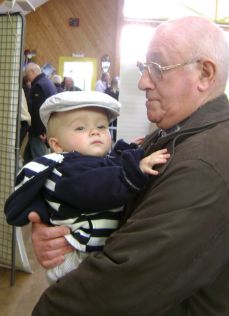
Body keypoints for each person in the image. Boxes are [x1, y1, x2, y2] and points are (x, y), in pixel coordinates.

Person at [29, 16, 229, 315]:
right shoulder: (175, 133)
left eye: (157, 69)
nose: (143, 81)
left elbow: (118, 288)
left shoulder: (203, 166)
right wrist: (60, 230)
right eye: (143, 68)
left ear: (204, 74)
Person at [5, 91, 170, 284]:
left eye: (101, 126)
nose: (95, 132)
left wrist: (126, 150)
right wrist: (134, 171)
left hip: (89, 251)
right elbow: (96, 186)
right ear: (57, 145)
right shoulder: (67, 171)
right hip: (76, 257)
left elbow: (108, 165)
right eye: (81, 128)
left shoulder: (90, 162)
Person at [24, 62, 57, 163]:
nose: (27, 77)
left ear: (32, 71)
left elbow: (38, 110)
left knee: (40, 161)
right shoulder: (47, 82)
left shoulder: (39, 85)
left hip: (38, 132)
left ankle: (39, 178)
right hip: (43, 128)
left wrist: (41, 131)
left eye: (27, 74)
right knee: (28, 156)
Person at [105, 76, 120, 141]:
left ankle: (107, 139)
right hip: (116, 110)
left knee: (108, 125)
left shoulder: (107, 90)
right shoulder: (119, 91)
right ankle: (115, 139)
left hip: (109, 109)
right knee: (115, 125)